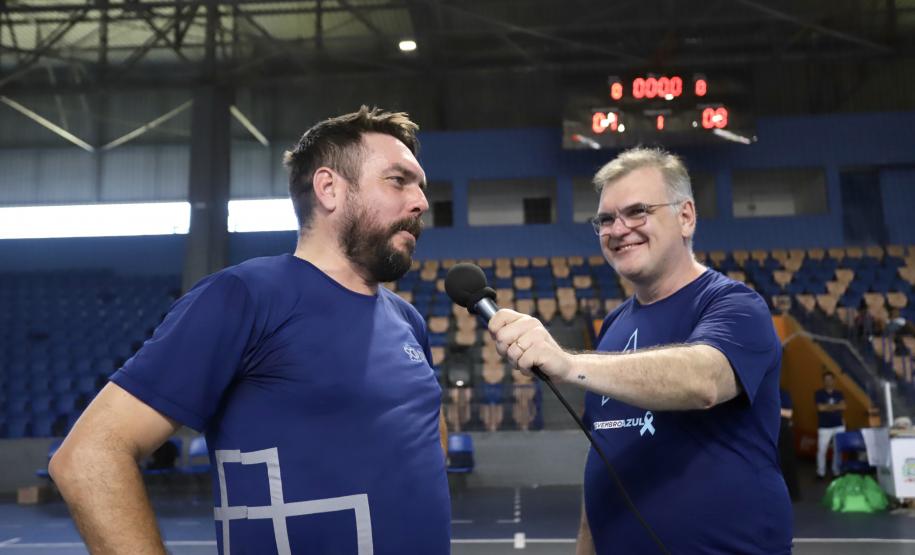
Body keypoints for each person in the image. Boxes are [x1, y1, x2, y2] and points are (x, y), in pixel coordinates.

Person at [49, 106, 451, 555]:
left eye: (420, 186)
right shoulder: (245, 296)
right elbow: (89, 455)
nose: (421, 202)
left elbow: (424, 448)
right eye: (398, 181)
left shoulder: (407, 320)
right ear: (329, 188)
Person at [488, 147, 792, 554]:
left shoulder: (735, 306)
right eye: (606, 219)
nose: (618, 229)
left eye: (637, 212)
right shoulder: (614, 325)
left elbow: (703, 380)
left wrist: (568, 363)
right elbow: (604, 452)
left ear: (686, 217)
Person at [815, 370, 846, 479]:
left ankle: (836, 472)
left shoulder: (839, 393)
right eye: (826, 380)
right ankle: (821, 473)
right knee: (821, 450)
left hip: (839, 426)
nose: (828, 382)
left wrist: (827, 407)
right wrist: (836, 406)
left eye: (830, 379)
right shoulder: (819, 393)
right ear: (823, 381)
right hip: (824, 427)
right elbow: (820, 408)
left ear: (834, 380)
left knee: (838, 450)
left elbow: (843, 406)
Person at [778, 387, 801, 501]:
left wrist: (771, 407)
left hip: (783, 433)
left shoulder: (783, 393)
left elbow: (789, 413)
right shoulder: (760, 393)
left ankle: (792, 494)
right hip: (768, 433)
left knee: (787, 463)